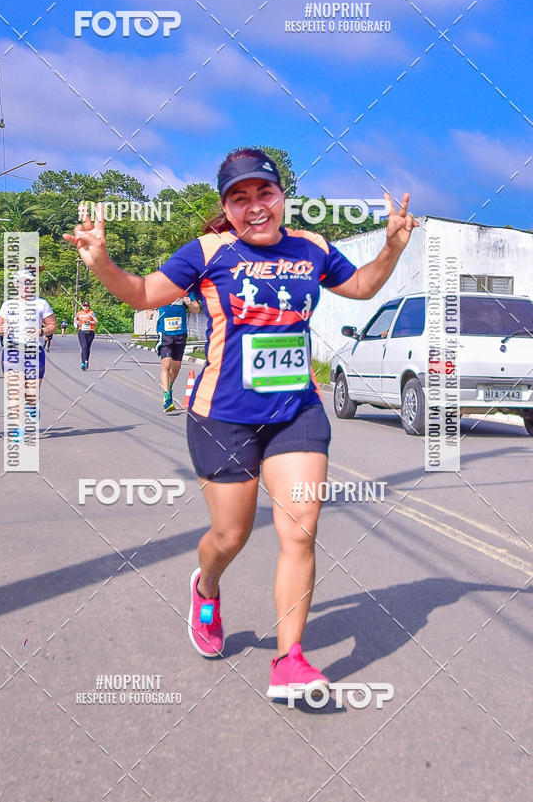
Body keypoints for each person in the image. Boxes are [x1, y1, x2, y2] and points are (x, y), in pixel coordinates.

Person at [64, 147, 417, 699]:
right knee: (231, 535)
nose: (255, 206)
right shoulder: (209, 252)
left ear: (282, 196)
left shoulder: (313, 248)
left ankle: (290, 660)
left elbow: (362, 286)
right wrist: (102, 262)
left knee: (300, 526)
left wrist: (392, 246)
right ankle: (206, 587)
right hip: (222, 416)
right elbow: (143, 292)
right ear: (226, 208)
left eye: (264, 192)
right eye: (239, 197)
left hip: (295, 412)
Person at [0, 270, 57, 431]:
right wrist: (2, 329)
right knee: (15, 392)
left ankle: (32, 405)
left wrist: (40, 331)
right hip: (12, 350)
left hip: (33, 351)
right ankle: (19, 429)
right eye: (21, 283)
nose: (25, 286)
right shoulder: (7, 305)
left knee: (31, 392)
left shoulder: (41, 303)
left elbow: (52, 325)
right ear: (16, 285)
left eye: (28, 283)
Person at [147, 293, 200, 412]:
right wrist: (150, 311)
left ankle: (169, 387)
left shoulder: (186, 290)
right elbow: (149, 301)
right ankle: (167, 398)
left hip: (180, 333)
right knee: (166, 364)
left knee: (176, 366)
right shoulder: (162, 289)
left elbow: (196, 310)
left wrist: (189, 304)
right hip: (164, 333)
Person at [74, 301, 97, 370]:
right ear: (82, 306)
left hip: (90, 332)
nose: (85, 307)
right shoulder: (79, 313)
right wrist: (77, 322)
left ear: (89, 306)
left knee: (87, 348)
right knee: (84, 347)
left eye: (87, 305)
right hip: (82, 332)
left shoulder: (91, 313)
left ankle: (87, 361)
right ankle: (83, 363)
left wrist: (89, 322)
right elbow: (75, 320)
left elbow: (96, 322)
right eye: (84, 305)